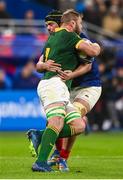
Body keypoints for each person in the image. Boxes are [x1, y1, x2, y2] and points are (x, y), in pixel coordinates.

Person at [29, 9, 100, 172]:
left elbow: (40, 63)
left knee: (79, 125)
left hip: (68, 87)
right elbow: (94, 52)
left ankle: (40, 135)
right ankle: (41, 162)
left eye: (51, 24)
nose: (48, 28)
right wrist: (97, 45)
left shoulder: (53, 39)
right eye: (47, 25)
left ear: (59, 24)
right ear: (72, 24)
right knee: (56, 121)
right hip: (54, 84)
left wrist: (43, 65)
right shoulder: (68, 36)